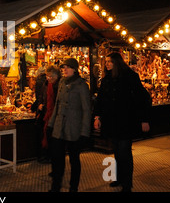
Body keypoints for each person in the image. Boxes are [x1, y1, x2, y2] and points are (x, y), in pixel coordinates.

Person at [94, 52, 151, 192]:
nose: (107, 64)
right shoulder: (106, 79)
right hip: (111, 121)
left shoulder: (130, 77)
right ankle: (119, 178)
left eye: (109, 62)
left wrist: (144, 119)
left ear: (117, 63)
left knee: (124, 152)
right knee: (117, 152)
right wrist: (97, 117)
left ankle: (127, 183)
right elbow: (100, 99)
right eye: (106, 61)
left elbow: (142, 98)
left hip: (126, 120)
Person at [47, 57, 91, 192]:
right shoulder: (61, 82)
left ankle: (73, 187)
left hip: (74, 128)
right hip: (59, 126)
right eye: (63, 67)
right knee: (57, 159)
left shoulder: (81, 85)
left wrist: (84, 132)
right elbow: (57, 105)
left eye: (67, 67)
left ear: (74, 69)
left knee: (74, 159)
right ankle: (56, 186)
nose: (64, 69)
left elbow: (86, 110)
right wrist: (51, 124)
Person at [35, 65, 61, 163]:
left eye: (51, 77)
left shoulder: (59, 85)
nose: (48, 78)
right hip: (46, 113)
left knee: (52, 136)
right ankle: (45, 155)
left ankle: (51, 156)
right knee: (45, 133)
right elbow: (41, 96)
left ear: (56, 76)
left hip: (54, 114)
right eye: (47, 76)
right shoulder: (46, 84)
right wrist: (40, 104)